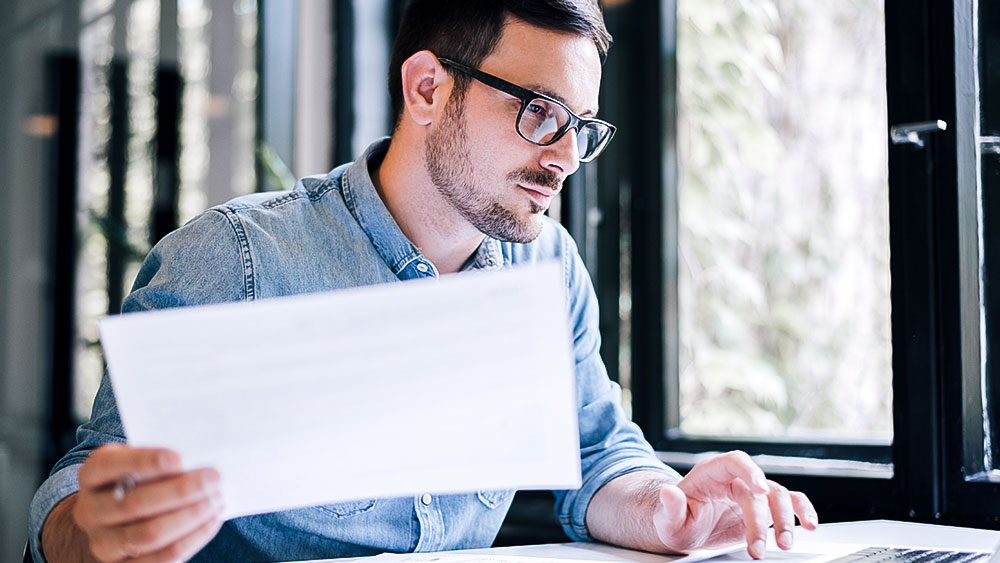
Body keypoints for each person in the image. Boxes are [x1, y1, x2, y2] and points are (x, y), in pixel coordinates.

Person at [28, 1, 818, 561]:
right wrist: (89, 534)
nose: (566, 157)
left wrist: (671, 510)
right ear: (428, 89)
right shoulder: (236, 258)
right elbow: (81, 494)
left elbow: (597, 451)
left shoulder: (548, 267)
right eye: (542, 112)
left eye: (582, 127)